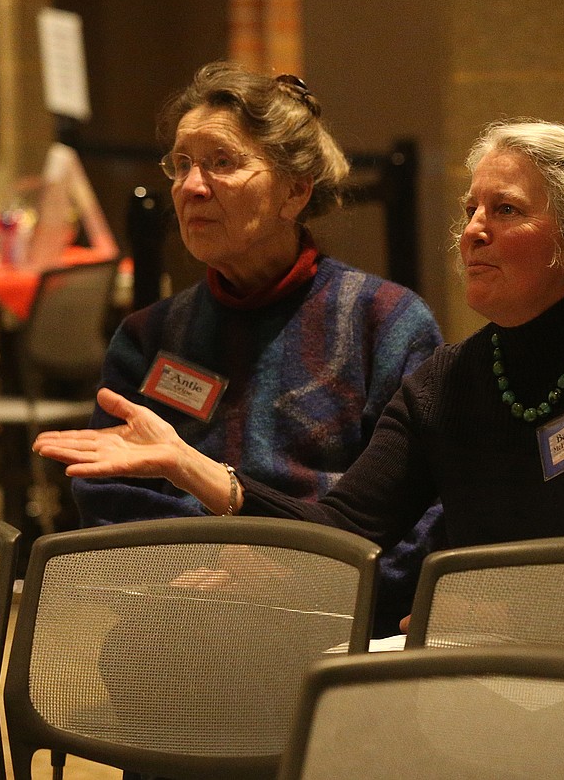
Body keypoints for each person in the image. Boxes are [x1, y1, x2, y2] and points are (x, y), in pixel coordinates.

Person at [34, 119, 564, 595]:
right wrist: (194, 468)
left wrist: (486, 625)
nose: (474, 230)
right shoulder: (450, 382)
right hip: (498, 673)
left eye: (506, 210)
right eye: (471, 208)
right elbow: (346, 529)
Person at [70, 61, 444, 636]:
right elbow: (107, 491)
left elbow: (425, 513)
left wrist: (290, 579)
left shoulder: (386, 323)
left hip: (332, 628)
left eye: (222, 162)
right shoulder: (148, 337)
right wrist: (210, 566)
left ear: (295, 191)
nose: (192, 187)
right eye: (182, 164)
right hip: (172, 629)